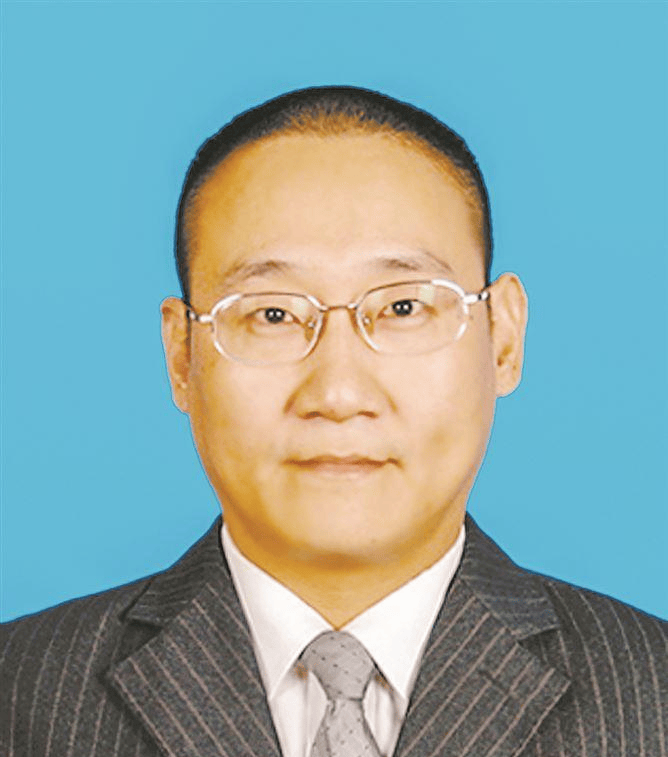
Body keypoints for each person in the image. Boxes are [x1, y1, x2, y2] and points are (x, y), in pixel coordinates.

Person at [1, 86, 665, 757]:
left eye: (403, 308)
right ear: (181, 355)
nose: (339, 392)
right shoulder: (20, 692)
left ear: (504, 338)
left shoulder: (651, 694)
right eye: (272, 314)